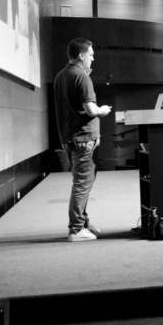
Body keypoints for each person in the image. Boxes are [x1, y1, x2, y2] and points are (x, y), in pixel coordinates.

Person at [53, 38, 112, 242]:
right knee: (82, 184)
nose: (92, 58)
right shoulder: (82, 77)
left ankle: (83, 222)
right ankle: (76, 229)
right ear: (81, 55)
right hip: (83, 139)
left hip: (70, 139)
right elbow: (90, 110)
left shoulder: (61, 76)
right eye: (91, 54)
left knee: (83, 183)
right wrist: (102, 110)